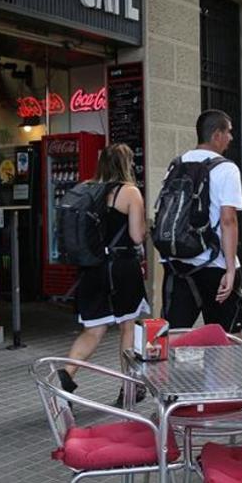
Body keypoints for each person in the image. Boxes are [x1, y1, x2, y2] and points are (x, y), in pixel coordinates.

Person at [56, 144, 150, 402]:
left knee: (93, 330)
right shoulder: (130, 192)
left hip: (91, 268)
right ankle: (129, 387)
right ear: (126, 164)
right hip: (121, 268)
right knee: (127, 327)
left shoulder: (86, 188)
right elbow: (136, 235)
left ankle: (65, 377)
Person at [161, 109, 242, 335]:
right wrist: (230, 269)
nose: (231, 138)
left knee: (173, 337)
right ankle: (223, 373)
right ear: (216, 134)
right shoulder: (227, 169)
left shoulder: (176, 164)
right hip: (214, 265)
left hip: (177, 265)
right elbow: (228, 221)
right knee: (228, 338)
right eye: (228, 132)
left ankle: (171, 373)